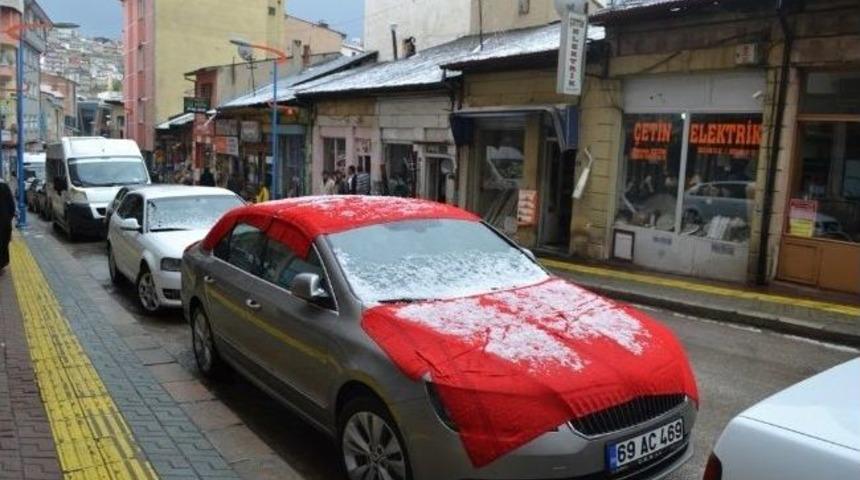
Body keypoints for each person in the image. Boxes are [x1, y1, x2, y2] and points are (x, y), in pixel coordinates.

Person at [0, 179, 15, 273]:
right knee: (3, 243)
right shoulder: (4, 187)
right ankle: (1, 264)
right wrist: (9, 218)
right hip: (3, 221)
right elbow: (11, 205)